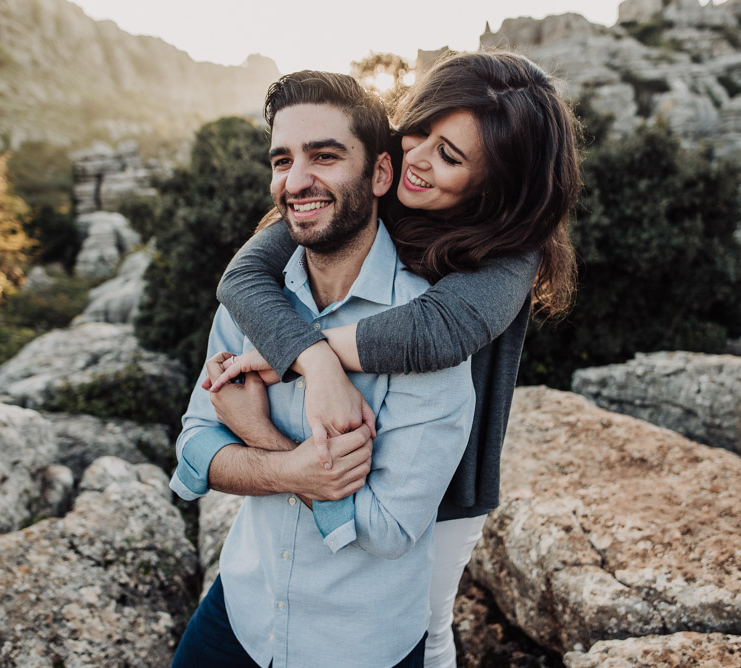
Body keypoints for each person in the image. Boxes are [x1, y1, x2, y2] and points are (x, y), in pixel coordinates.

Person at [208, 50, 581, 668]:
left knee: (423, 629)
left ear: (498, 181)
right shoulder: (372, 179)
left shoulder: (512, 247)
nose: (419, 158)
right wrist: (314, 366)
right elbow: (244, 277)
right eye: (421, 129)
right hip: (337, 439)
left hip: (440, 486)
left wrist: (302, 357)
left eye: (451, 156)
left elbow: (436, 331)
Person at [169, 70, 476, 667]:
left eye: (325, 156)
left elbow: (386, 529)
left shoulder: (426, 333)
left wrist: (260, 439)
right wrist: (300, 468)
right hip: (239, 613)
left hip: (360, 645)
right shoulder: (253, 298)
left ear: (381, 173)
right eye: (282, 161)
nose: (297, 181)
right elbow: (195, 446)